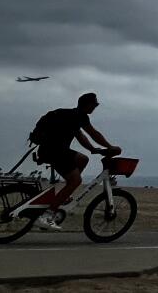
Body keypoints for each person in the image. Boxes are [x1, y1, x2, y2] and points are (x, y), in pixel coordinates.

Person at [31, 92, 118, 231]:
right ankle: (46, 216)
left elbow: (80, 136)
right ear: (88, 105)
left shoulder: (70, 115)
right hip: (56, 152)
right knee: (75, 181)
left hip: (49, 150)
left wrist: (92, 149)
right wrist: (110, 147)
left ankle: (65, 195)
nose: (95, 107)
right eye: (94, 105)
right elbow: (93, 133)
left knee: (83, 159)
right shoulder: (81, 116)